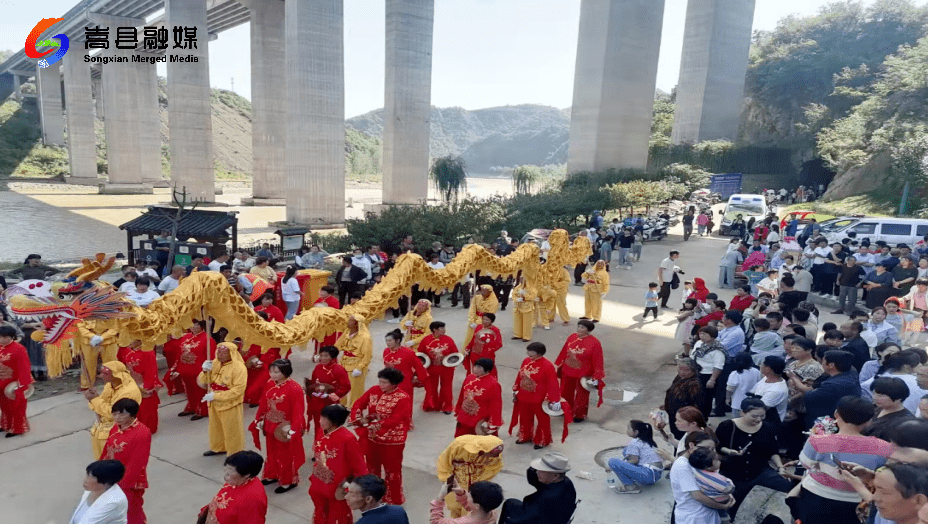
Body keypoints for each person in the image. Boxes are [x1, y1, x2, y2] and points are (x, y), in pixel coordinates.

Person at [790, 396, 894, 524]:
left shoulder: (817, 441)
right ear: (869, 421)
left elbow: (806, 464)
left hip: (817, 496)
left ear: (836, 414)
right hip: (858, 501)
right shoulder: (884, 447)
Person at [715, 398, 791, 518]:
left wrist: (780, 467)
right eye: (754, 416)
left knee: (787, 487)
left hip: (759, 471)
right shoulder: (727, 426)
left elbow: (773, 451)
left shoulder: (767, 427)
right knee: (735, 504)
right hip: (733, 472)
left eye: (762, 416)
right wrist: (730, 452)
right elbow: (718, 446)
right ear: (742, 413)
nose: (758, 419)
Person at [350, 368, 413, 504]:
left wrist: (374, 425)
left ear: (394, 384)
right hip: (372, 437)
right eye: (380, 381)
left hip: (392, 440)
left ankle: (394, 498)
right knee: (372, 468)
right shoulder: (374, 390)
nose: (381, 385)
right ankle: (374, 495)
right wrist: (358, 417)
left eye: (384, 382)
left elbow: (396, 419)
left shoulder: (403, 398)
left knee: (392, 471)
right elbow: (359, 403)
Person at [251, 359, 306, 494]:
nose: (273, 374)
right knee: (271, 451)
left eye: (277, 372)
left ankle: (288, 480)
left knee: (285, 454)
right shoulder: (270, 383)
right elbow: (264, 402)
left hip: (284, 427)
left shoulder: (294, 388)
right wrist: (258, 418)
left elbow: (298, 411)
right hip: (270, 423)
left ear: (285, 372)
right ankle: (272, 474)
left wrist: (294, 428)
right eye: (271, 371)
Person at [309, 404, 368, 524]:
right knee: (320, 508)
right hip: (320, 480)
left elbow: (359, 465)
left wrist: (354, 488)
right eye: (321, 417)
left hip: (338, 486)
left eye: (325, 419)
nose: (321, 421)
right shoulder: (322, 431)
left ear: (335, 421)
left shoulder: (347, 439)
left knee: (338, 514)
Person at [101, 399, 151, 524]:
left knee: (131, 511)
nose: (117, 417)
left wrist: (122, 484)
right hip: (111, 477)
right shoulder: (116, 428)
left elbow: (137, 462)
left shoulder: (142, 433)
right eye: (115, 413)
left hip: (129, 482)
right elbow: (107, 449)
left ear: (133, 414)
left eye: (122, 414)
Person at [670, 431, 732, 524]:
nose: (709, 452)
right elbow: (697, 496)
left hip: (706, 514)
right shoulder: (682, 465)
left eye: (713, 449)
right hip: (694, 517)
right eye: (706, 448)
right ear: (691, 445)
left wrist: (727, 495)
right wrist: (722, 506)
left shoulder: (701, 461)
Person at [497, 452, 577, 524]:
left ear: (555, 476)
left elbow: (527, 519)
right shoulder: (566, 482)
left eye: (541, 470)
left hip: (544, 519)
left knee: (509, 504)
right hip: (553, 516)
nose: (536, 472)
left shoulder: (546, 499)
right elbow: (534, 480)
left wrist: (510, 521)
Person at [436, 435, 505, 518]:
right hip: (457, 482)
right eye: (489, 456)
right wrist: (447, 480)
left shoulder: (494, 453)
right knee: (453, 507)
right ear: (482, 451)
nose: (490, 459)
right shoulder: (459, 445)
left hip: (475, 486)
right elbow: (444, 462)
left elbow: (493, 468)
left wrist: (480, 483)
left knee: (471, 511)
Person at [510, 342, 563, 449]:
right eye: (528, 351)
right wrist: (516, 389)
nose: (529, 353)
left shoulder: (547, 365)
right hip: (524, 395)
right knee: (524, 417)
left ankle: (542, 440)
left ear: (539, 353)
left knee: (542, 419)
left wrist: (555, 399)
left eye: (532, 351)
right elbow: (520, 375)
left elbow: (553, 383)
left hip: (539, 398)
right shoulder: (526, 361)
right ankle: (525, 436)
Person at [199, 342, 248, 457]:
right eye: (218, 352)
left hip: (230, 403)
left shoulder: (239, 368)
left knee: (232, 429)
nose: (220, 355)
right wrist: (205, 371)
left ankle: (235, 453)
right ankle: (218, 447)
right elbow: (206, 381)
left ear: (231, 353)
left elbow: (237, 390)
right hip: (214, 401)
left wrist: (216, 396)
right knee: (215, 427)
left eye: (223, 353)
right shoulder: (215, 362)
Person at [85, 361, 142, 459]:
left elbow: (113, 413)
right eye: (101, 372)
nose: (101, 376)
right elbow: (101, 403)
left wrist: (94, 400)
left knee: (115, 463)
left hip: (118, 432)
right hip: (102, 429)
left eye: (105, 373)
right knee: (101, 461)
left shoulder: (128, 392)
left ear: (116, 375)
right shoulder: (110, 384)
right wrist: (94, 399)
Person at [555, 320, 605, 422]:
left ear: (589, 330)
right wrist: (560, 363)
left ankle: (579, 414)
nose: (579, 329)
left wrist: (597, 375)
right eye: (579, 326)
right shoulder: (572, 337)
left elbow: (598, 359)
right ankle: (565, 409)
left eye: (582, 328)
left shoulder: (595, 342)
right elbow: (564, 350)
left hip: (584, 373)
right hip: (568, 369)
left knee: (582, 394)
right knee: (565, 391)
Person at [198, 451, 268, 524]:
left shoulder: (253, 500)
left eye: (231, 470)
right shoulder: (237, 480)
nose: (226, 474)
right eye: (226, 468)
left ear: (247, 475)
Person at [803, 350, 862, 428]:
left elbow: (809, 397)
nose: (821, 364)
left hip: (829, 423)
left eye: (823, 361)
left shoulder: (833, 384)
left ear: (831, 365)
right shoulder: (850, 374)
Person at [305, 346, 351, 441]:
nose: (322, 358)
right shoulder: (318, 367)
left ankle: (328, 451)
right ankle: (318, 449)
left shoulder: (338, 369)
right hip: (317, 402)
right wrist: (310, 388)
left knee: (329, 426)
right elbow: (314, 382)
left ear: (332, 357)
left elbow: (346, 386)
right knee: (318, 425)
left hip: (329, 404)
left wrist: (334, 395)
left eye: (326, 356)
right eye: (321, 355)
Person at [606, 420, 664, 493]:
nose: (627, 430)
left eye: (629, 428)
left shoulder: (635, 442)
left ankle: (630, 486)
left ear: (636, 432)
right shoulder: (646, 440)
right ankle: (634, 475)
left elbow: (634, 460)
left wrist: (616, 465)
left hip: (648, 475)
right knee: (626, 450)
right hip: (656, 475)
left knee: (613, 462)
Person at [116, 340, 162, 434]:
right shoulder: (128, 354)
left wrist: (146, 386)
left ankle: (149, 429)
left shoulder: (147, 352)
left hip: (145, 385)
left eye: (131, 338)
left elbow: (151, 370)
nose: (130, 341)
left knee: (148, 409)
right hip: (134, 385)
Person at [170, 321, 210, 419]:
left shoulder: (207, 339)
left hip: (199, 369)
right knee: (189, 390)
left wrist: (208, 369)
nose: (194, 327)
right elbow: (179, 354)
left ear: (202, 326)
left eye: (197, 324)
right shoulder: (185, 337)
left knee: (200, 390)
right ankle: (191, 407)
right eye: (192, 324)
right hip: (186, 369)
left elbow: (211, 356)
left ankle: (203, 410)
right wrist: (175, 368)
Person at [454, 358, 503, 437]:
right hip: (464, 416)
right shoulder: (470, 378)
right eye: (475, 366)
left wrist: (493, 423)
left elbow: (496, 405)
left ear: (487, 370)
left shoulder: (494, 385)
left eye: (479, 367)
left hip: (480, 420)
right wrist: (458, 410)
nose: (475, 369)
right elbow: (462, 396)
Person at [0, 325, 33, 437]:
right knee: (4, 405)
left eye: (4, 337)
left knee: (16, 406)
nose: (1, 339)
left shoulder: (19, 349)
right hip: (2, 381)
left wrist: (22, 385)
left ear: (11, 337)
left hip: (14, 383)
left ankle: (17, 428)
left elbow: (24, 367)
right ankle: (6, 425)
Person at [420, 321, 460, 414]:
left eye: (444, 328)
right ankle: (431, 405)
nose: (444, 330)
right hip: (432, 367)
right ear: (435, 330)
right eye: (441, 328)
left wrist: (448, 360)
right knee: (431, 387)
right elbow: (421, 353)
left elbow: (455, 353)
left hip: (446, 367)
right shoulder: (426, 340)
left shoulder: (448, 339)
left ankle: (447, 407)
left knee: (446, 387)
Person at [861, 376, 917, 441]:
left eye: (880, 395)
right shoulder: (873, 407)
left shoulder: (905, 422)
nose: (875, 397)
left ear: (898, 398)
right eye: (874, 393)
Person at [661, 361, 706, 441]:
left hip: (685, 418)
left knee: (681, 440)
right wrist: (667, 405)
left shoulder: (694, 384)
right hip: (674, 415)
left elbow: (698, 404)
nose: (682, 372)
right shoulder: (679, 377)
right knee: (675, 437)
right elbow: (673, 393)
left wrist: (689, 419)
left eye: (686, 370)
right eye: (680, 369)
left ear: (693, 370)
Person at [335, 314, 373, 406]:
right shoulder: (347, 332)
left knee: (356, 389)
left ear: (357, 323)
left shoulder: (365, 337)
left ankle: (356, 408)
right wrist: (328, 353)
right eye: (349, 320)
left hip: (356, 365)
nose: (348, 322)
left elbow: (367, 356)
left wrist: (360, 368)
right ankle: (341, 405)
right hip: (343, 363)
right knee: (341, 386)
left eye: (351, 320)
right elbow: (337, 345)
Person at [688, 448, 735, 521]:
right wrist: (728, 481)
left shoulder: (698, 469)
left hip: (708, 495)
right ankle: (724, 519)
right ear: (709, 467)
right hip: (719, 500)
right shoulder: (715, 479)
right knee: (723, 515)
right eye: (717, 461)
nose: (719, 462)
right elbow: (729, 489)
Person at [382, 329, 429, 399]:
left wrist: (419, 378)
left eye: (390, 341)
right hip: (390, 382)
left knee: (405, 403)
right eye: (386, 341)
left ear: (397, 341)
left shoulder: (408, 352)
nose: (387, 343)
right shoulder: (386, 351)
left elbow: (418, 366)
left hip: (404, 382)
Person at [430, 479, 504, 524]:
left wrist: (439, 499)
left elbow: (436, 521)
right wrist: (461, 493)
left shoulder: (463, 522)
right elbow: (474, 507)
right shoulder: (492, 512)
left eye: (469, 495)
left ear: (477, 505)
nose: (467, 494)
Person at [691, 326, 726, 418]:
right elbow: (692, 356)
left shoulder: (717, 350)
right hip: (696, 373)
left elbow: (718, 366)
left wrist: (712, 379)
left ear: (713, 336)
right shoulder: (699, 343)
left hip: (707, 376)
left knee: (705, 399)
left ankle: (703, 418)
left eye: (705, 334)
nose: (702, 336)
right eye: (700, 334)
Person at [77, 321, 121, 391]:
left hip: (109, 340)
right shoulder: (84, 312)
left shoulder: (110, 311)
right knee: (88, 364)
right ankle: (87, 385)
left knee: (112, 363)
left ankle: (113, 383)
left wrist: (102, 337)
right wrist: (92, 336)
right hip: (89, 341)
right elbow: (80, 326)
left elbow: (115, 327)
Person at [750, 356, 789, 424]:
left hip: (768, 424)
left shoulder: (776, 390)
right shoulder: (766, 378)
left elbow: (759, 410)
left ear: (768, 369)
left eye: (762, 364)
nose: (760, 365)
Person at [463, 284, 500, 348]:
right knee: (470, 336)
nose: (482, 292)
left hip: (484, 321)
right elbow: (472, 309)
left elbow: (489, 315)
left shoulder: (494, 301)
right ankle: (467, 350)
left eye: (484, 291)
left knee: (480, 337)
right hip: (474, 319)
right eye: (481, 290)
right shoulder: (476, 298)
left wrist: (480, 322)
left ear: (489, 292)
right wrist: (471, 320)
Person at [726, 353, 762, 417]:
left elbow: (730, 389)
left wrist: (727, 399)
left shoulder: (735, 374)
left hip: (738, 403)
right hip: (753, 403)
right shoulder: (756, 371)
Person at [510, 277, 537, 341]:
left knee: (527, 323)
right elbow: (513, 294)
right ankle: (517, 335)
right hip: (518, 306)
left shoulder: (532, 288)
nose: (521, 280)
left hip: (527, 307)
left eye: (523, 278)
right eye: (520, 278)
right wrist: (516, 299)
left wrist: (525, 294)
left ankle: (526, 337)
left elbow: (533, 297)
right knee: (517, 321)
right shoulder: (518, 286)